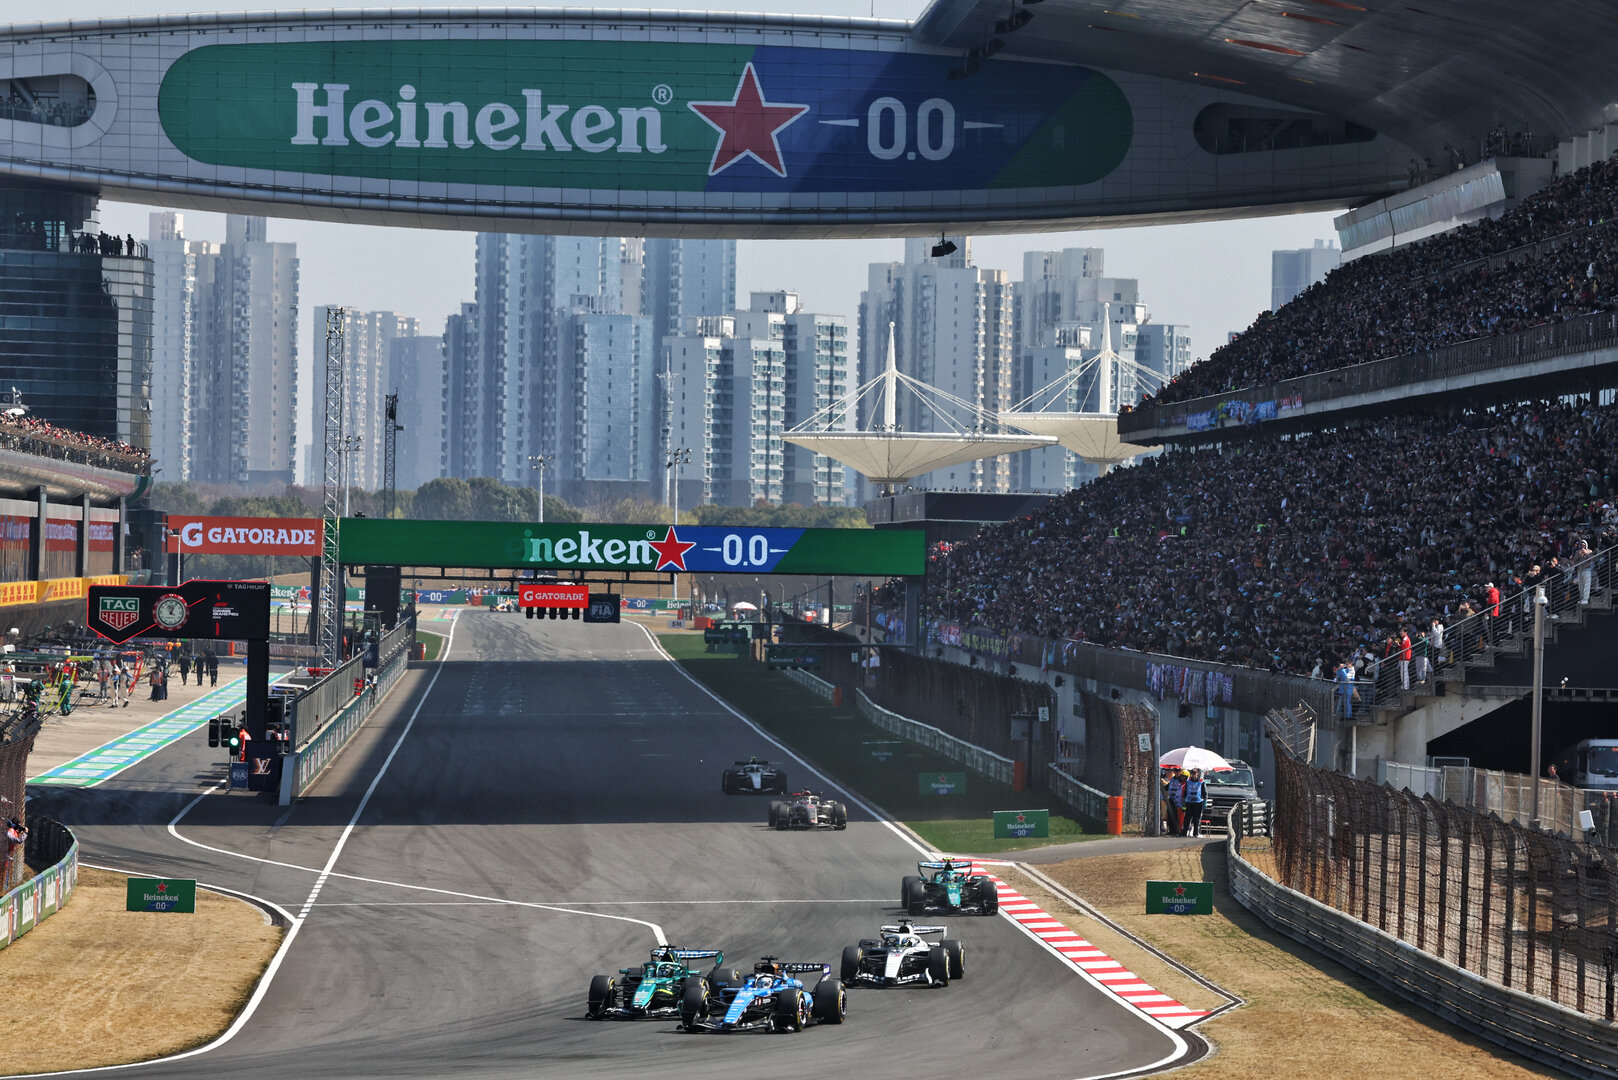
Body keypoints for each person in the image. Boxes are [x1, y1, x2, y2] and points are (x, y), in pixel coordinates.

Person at [1181, 769, 1207, 838]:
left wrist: (1205, 802)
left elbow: (1205, 793)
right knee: (1187, 818)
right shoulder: (1188, 781)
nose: (1193, 775)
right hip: (1189, 802)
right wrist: (1183, 804)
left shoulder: (1201, 782)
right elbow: (1185, 792)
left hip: (1198, 802)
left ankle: (1196, 833)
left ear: (1197, 774)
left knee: (1197, 819)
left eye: (1194, 774)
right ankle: (1184, 833)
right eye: (1192, 774)